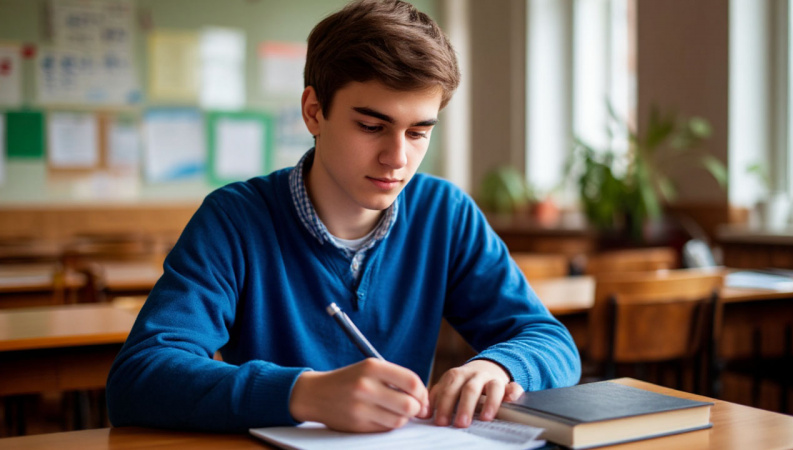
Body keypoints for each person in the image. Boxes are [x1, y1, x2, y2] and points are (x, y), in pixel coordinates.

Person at [106, 0, 580, 433]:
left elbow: (549, 341)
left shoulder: (445, 213)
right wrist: (301, 393)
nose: (397, 158)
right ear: (314, 112)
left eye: (418, 132)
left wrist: (502, 366)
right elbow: (140, 375)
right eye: (372, 127)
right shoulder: (234, 220)